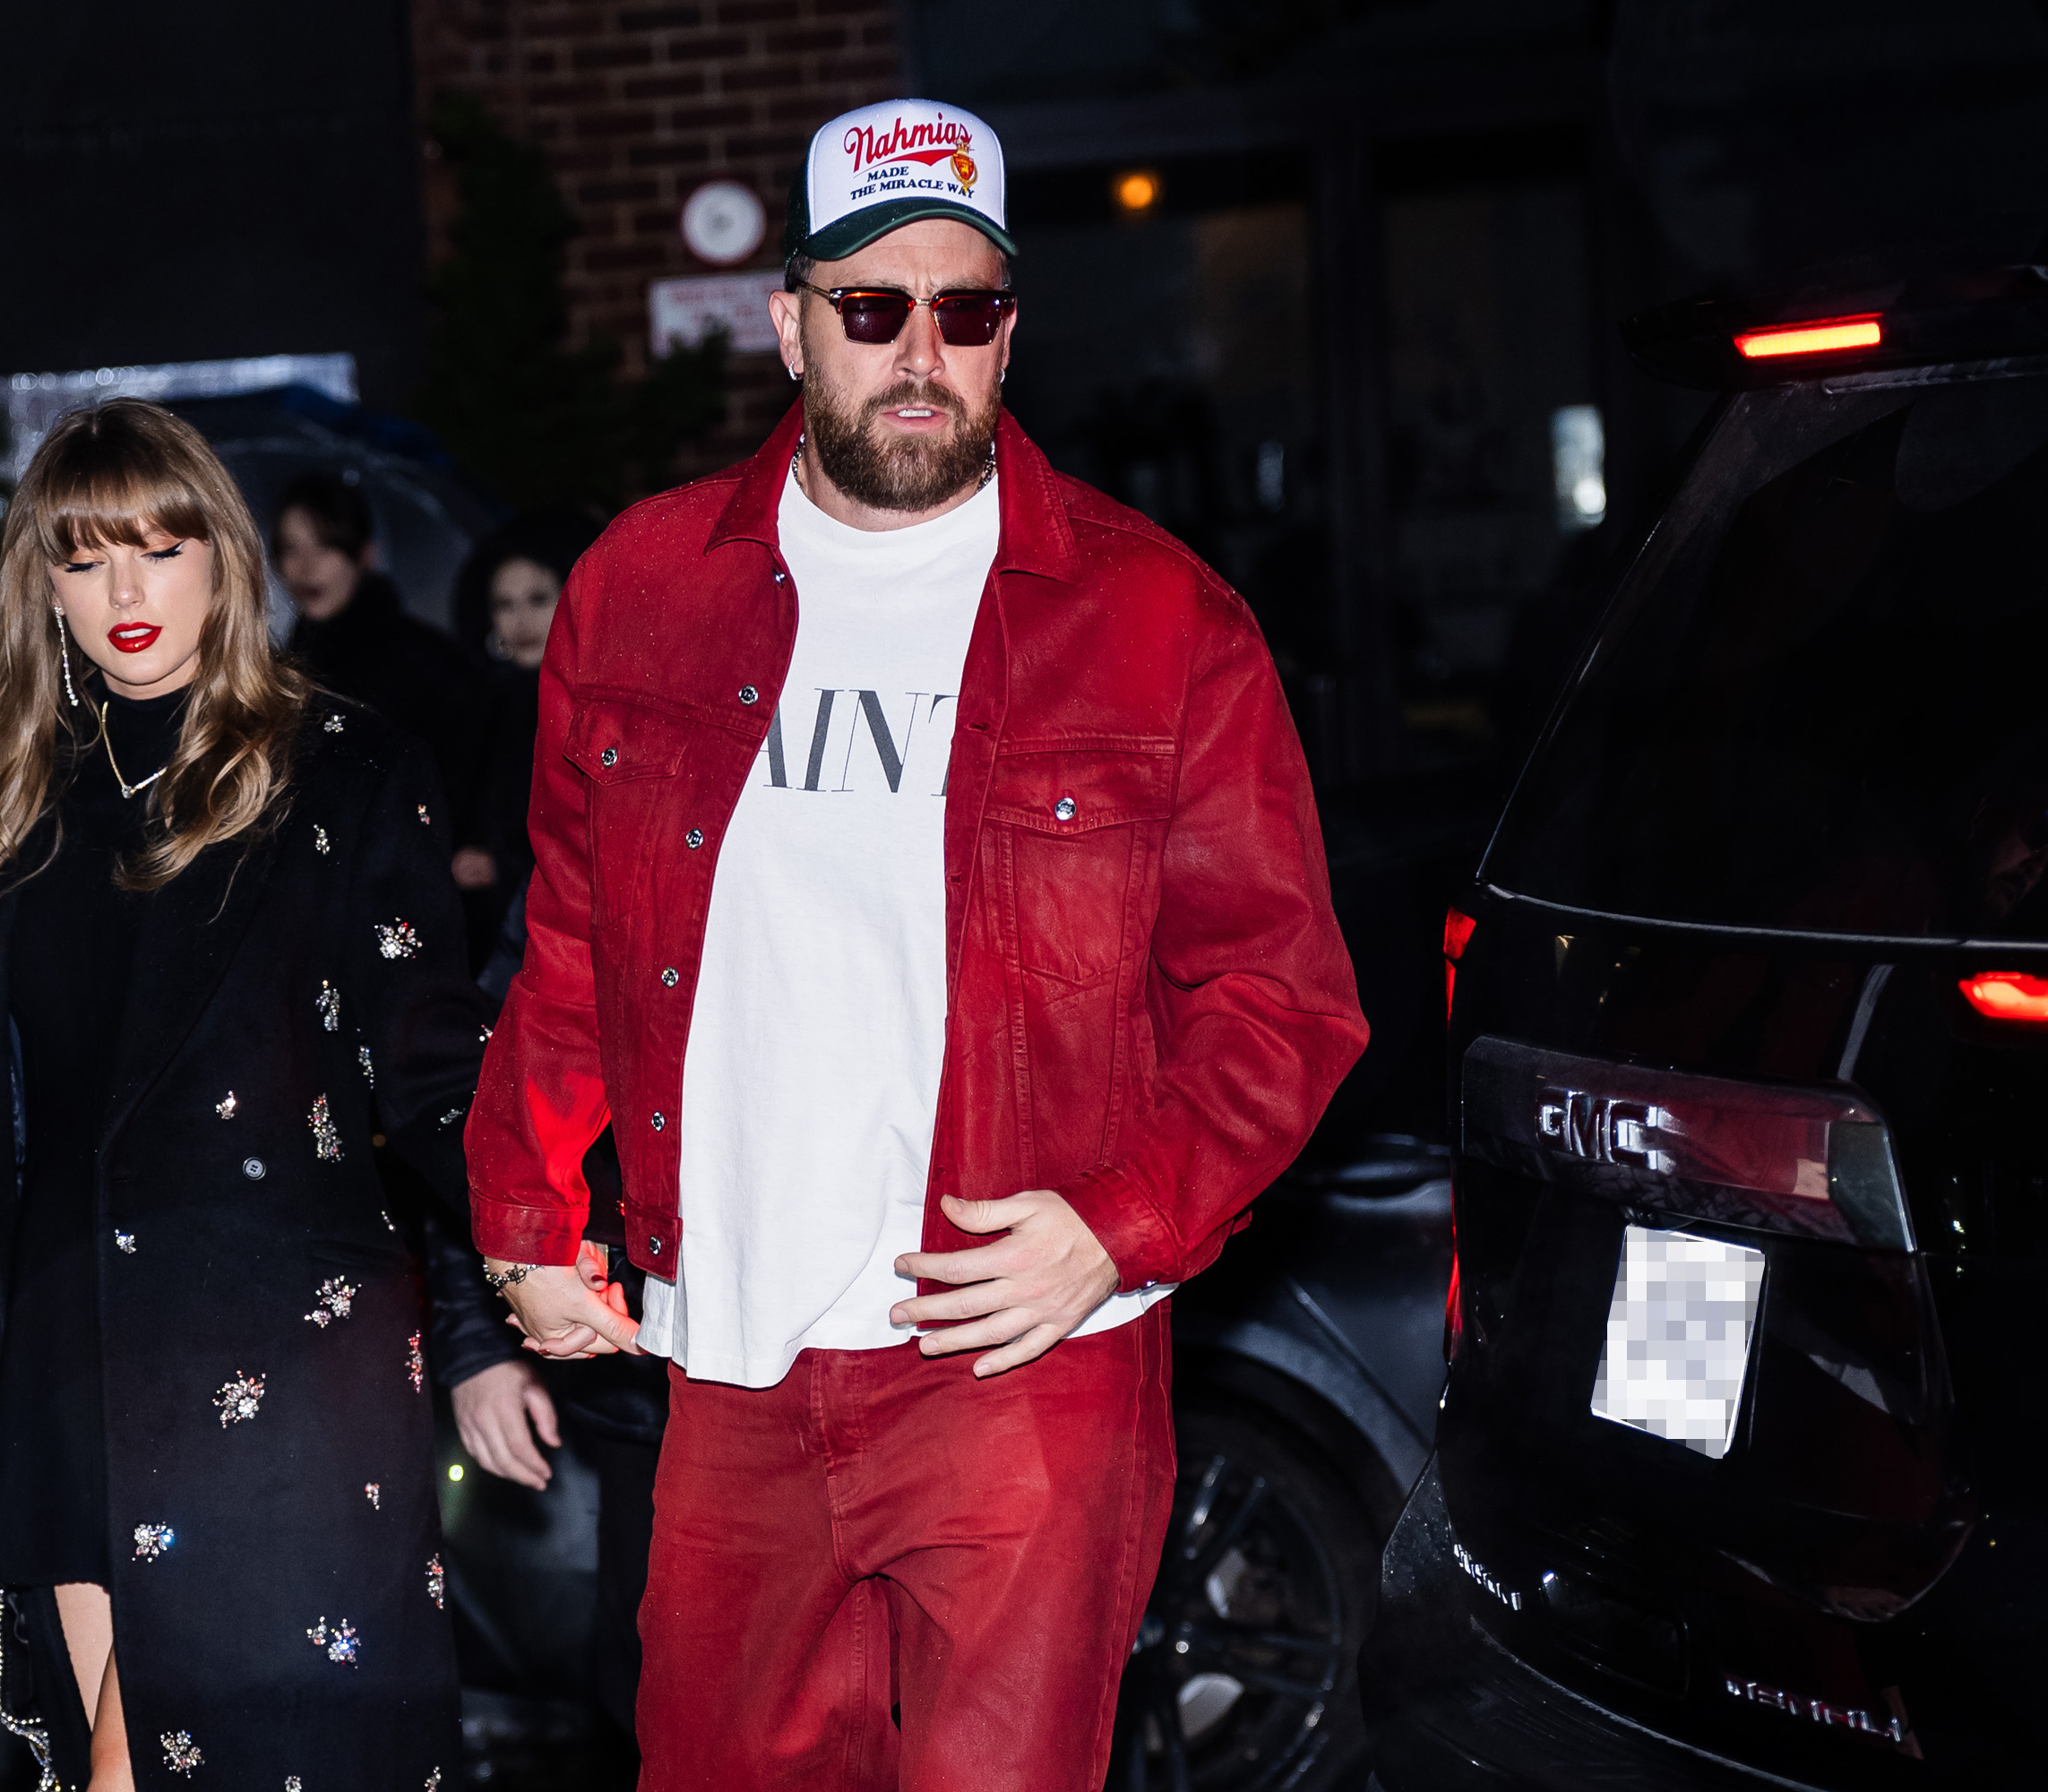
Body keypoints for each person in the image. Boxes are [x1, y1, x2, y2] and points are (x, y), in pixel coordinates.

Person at [465, 99, 1367, 1789]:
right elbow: (576, 934)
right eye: (874, 308)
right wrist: (524, 1203)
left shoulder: (1161, 618)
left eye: (965, 311)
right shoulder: (642, 587)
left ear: (1009, 331)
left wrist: (1119, 1225)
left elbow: (1281, 997)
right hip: (730, 1349)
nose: (919, 354)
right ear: (789, 320)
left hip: (1021, 1372)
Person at [0, 400, 491, 1792]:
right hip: (75, 1353)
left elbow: (429, 1070)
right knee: (115, 1758)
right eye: (84, 557)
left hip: (280, 1357)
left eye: (160, 546)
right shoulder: (14, 797)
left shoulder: (346, 768)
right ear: (40, 586)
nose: (126, 591)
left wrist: (552, 1240)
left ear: (222, 560)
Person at [274, 470, 489, 853]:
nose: (305, 567)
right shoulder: (289, 663)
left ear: (365, 554)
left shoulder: (418, 657)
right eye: (291, 549)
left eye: (325, 547)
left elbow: (469, 764)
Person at [446, 509, 602, 966]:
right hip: (484, 932)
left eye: (537, 598)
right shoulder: (474, 704)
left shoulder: (591, 704)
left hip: (566, 929)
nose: (521, 619)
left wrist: (503, 862)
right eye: (504, 604)